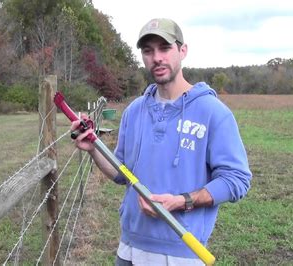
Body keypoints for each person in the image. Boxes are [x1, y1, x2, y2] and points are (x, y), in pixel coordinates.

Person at [71, 18, 252, 265]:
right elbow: (121, 171)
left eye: (164, 48)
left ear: (182, 50)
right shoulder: (135, 111)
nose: (156, 57)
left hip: (181, 253)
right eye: (148, 51)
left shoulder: (213, 113)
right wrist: (93, 148)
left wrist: (182, 201)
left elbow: (237, 180)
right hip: (129, 249)